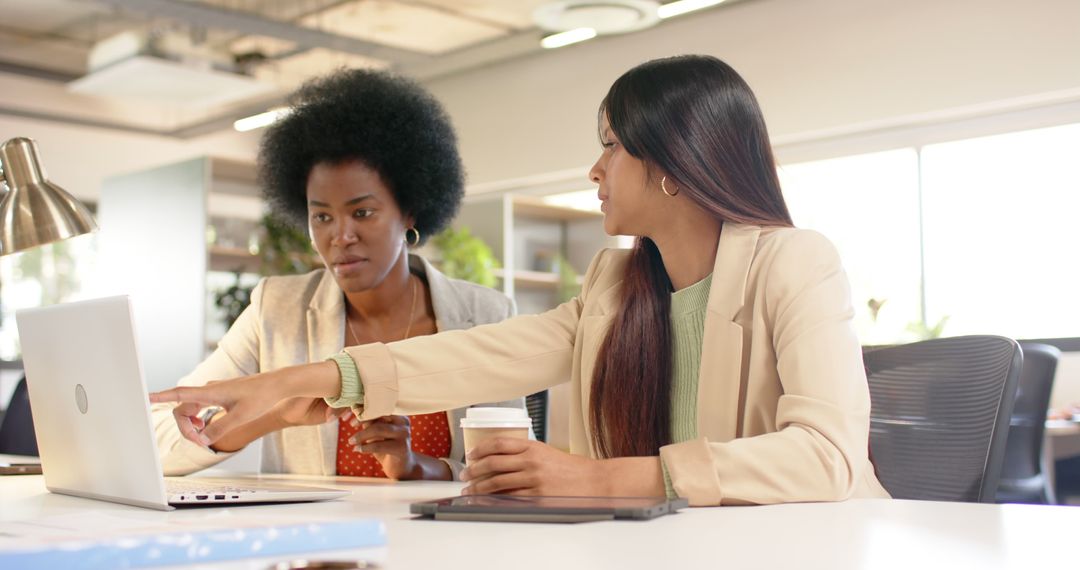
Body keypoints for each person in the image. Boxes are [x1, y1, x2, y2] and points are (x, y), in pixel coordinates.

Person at [152, 55, 891, 506]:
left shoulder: (796, 262)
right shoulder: (616, 284)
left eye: (611, 148)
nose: (595, 170)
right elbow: (478, 355)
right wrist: (301, 381)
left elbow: (825, 457)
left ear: (674, 165)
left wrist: (596, 479)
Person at [151, 68, 527, 481]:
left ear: (409, 211)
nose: (340, 236)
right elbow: (161, 446)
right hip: (317, 542)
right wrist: (274, 416)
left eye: (362, 212)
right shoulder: (276, 309)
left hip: (445, 542)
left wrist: (419, 467)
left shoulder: (485, 314)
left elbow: (507, 469)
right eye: (322, 217)